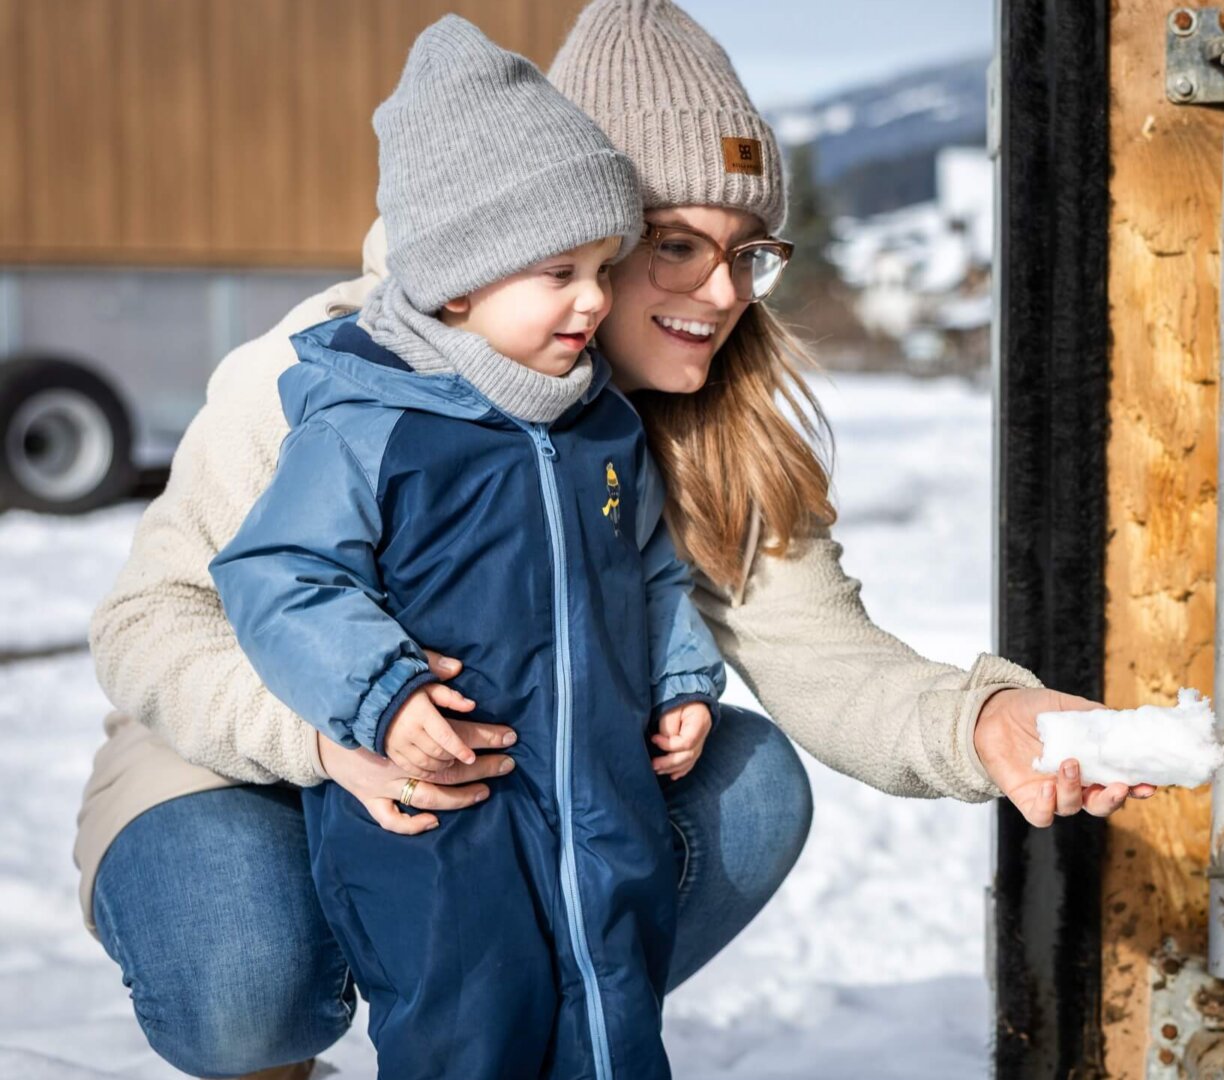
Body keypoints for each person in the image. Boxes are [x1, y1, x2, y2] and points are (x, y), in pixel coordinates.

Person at [79, 2, 1154, 1076]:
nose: (724, 292)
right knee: (243, 987)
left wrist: (990, 723)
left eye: (749, 253)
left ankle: (541, 1026)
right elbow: (149, 621)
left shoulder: (708, 422)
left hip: (512, 783)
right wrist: (328, 737)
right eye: (676, 244)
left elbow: (827, 662)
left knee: (750, 785)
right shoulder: (337, 379)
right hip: (244, 755)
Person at [207, 18, 711, 1078]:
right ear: (457, 287)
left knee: (613, 999)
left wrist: (678, 673)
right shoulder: (369, 425)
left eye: (604, 266)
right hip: (442, 811)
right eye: (558, 272)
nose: (593, 299)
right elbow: (280, 574)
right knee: (465, 1020)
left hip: (596, 790)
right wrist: (381, 694)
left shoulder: (601, 425)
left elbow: (650, 563)